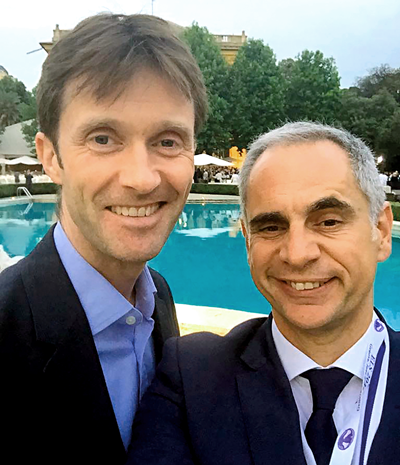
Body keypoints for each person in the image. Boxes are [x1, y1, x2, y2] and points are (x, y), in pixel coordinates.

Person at [0, 13, 207, 465]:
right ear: (50, 157)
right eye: (103, 138)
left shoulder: (157, 298)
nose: (141, 178)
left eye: (168, 141)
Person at [127, 122, 399, 465]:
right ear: (247, 242)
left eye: (328, 221)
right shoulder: (192, 379)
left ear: (381, 232)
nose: (297, 254)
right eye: (271, 227)